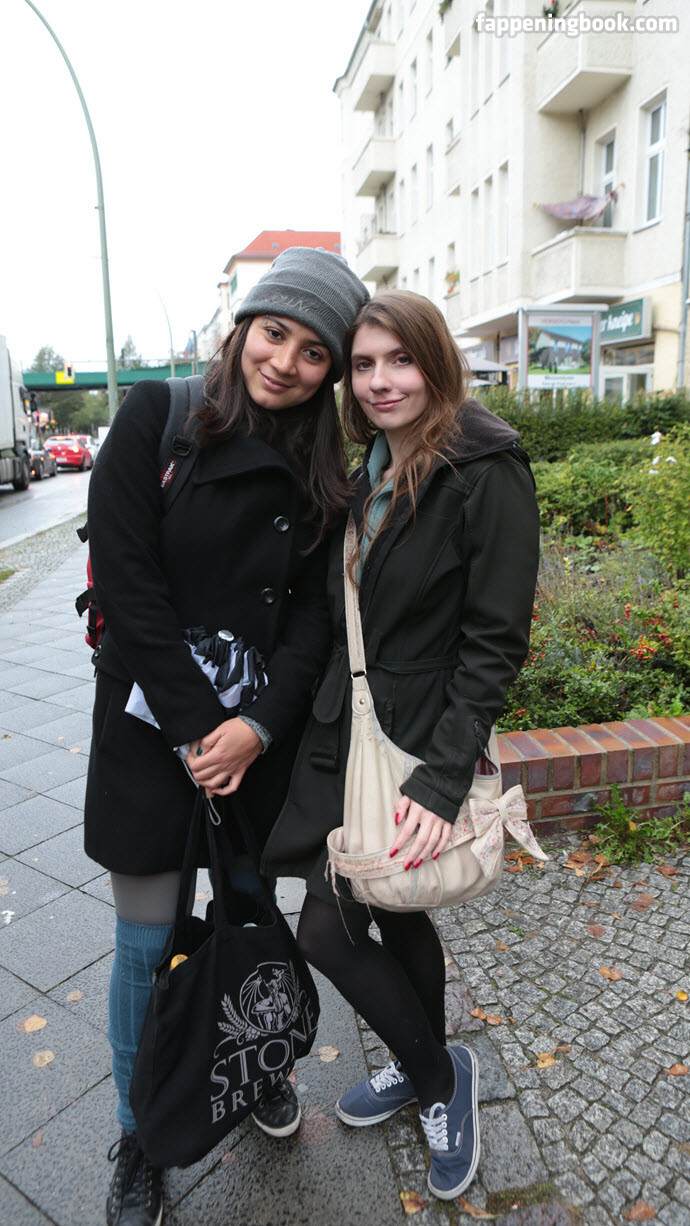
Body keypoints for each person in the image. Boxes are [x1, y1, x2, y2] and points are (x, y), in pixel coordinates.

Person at [84, 247, 368, 1226]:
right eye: (274, 333)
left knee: (248, 914)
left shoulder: (325, 467)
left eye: (314, 351)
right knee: (144, 946)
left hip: (254, 745)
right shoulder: (157, 417)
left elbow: (312, 619)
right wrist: (201, 726)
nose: (286, 361)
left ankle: (250, 1068)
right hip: (149, 731)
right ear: (244, 327)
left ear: (331, 371)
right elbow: (129, 586)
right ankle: (140, 1136)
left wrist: (255, 727)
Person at [263, 290, 540, 1202]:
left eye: (401, 360)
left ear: (436, 363)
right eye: (364, 365)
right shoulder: (369, 468)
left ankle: (437, 1082)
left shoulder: (486, 467)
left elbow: (494, 642)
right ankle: (427, 1057)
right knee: (395, 911)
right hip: (347, 739)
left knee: (328, 929)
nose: (381, 381)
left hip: (418, 744)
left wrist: (442, 775)